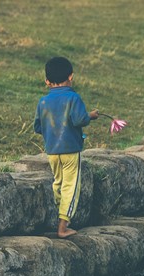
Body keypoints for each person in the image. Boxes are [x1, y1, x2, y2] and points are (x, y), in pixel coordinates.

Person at [33, 56, 100, 238]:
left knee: (58, 182)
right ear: (71, 77)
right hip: (71, 149)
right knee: (71, 185)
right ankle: (63, 226)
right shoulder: (73, 98)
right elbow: (80, 120)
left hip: (52, 151)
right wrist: (91, 116)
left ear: (47, 81)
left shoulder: (43, 101)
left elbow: (38, 127)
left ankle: (59, 213)